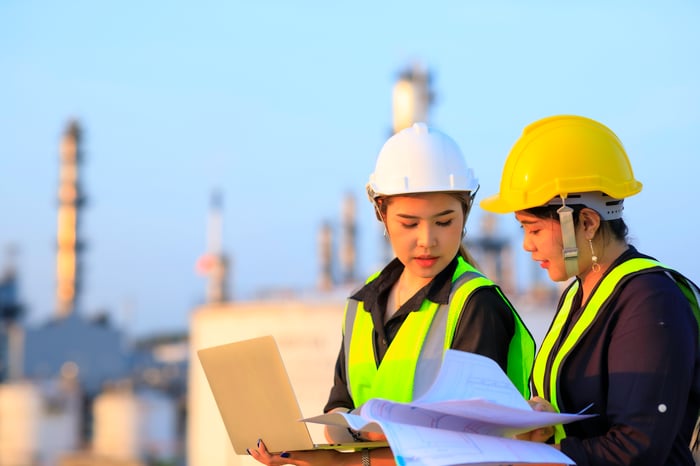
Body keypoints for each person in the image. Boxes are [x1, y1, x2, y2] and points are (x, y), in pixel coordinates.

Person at [249, 122, 536, 466]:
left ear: (465, 214)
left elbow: (464, 444)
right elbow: (339, 409)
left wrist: (356, 453)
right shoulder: (361, 303)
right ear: (381, 215)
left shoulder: (476, 304)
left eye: (444, 222)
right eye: (409, 223)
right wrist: (312, 452)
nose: (427, 239)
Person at [480, 114, 700, 465]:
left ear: (585, 222)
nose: (526, 245)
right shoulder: (580, 293)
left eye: (533, 229)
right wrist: (543, 419)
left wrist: (536, 458)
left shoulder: (650, 302)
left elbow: (638, 448)